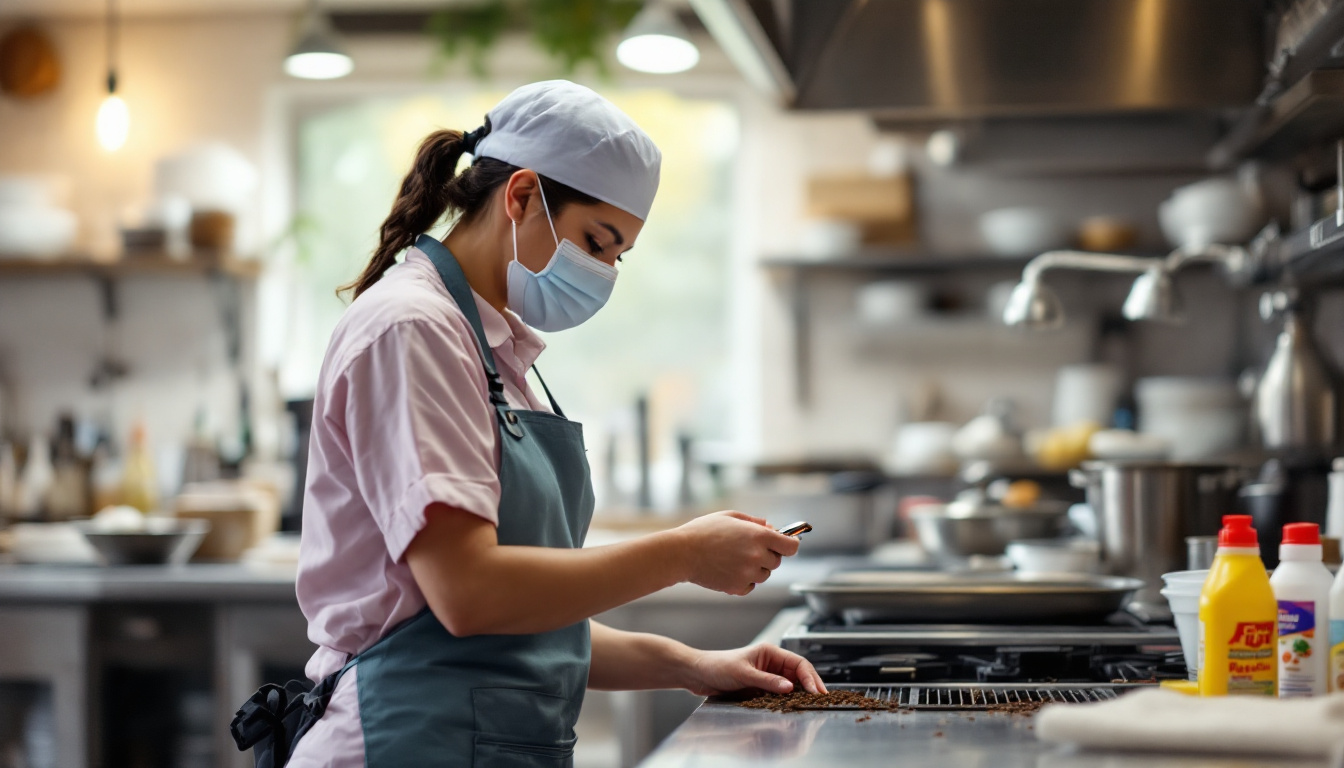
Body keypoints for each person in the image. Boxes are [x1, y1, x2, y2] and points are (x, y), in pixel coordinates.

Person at [243, 81, 824, 766]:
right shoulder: (412, 331)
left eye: (616, 256)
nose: (605, 272)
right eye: (597, 242)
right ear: (519, 197)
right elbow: (470, 595)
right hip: (402, 744)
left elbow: (526, 627)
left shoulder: (497, 353)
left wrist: (693, 664)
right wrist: (684, 554)